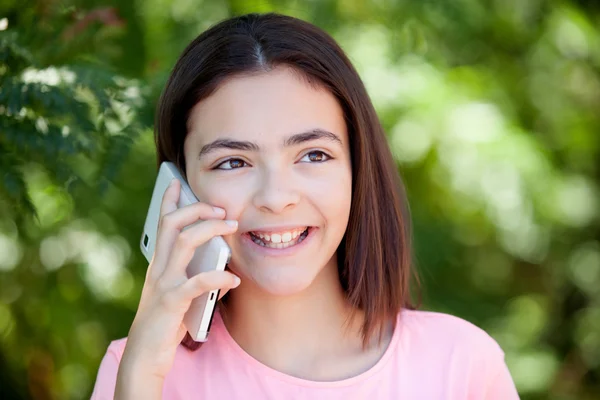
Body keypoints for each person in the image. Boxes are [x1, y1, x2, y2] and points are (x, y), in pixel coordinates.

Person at [91, 12, 519, 399]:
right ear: (180, 186)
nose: (277, 198)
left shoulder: (461, 365)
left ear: (357, 167)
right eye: (233, 162)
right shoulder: (138, 371)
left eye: (313, 155)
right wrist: (141, 377)